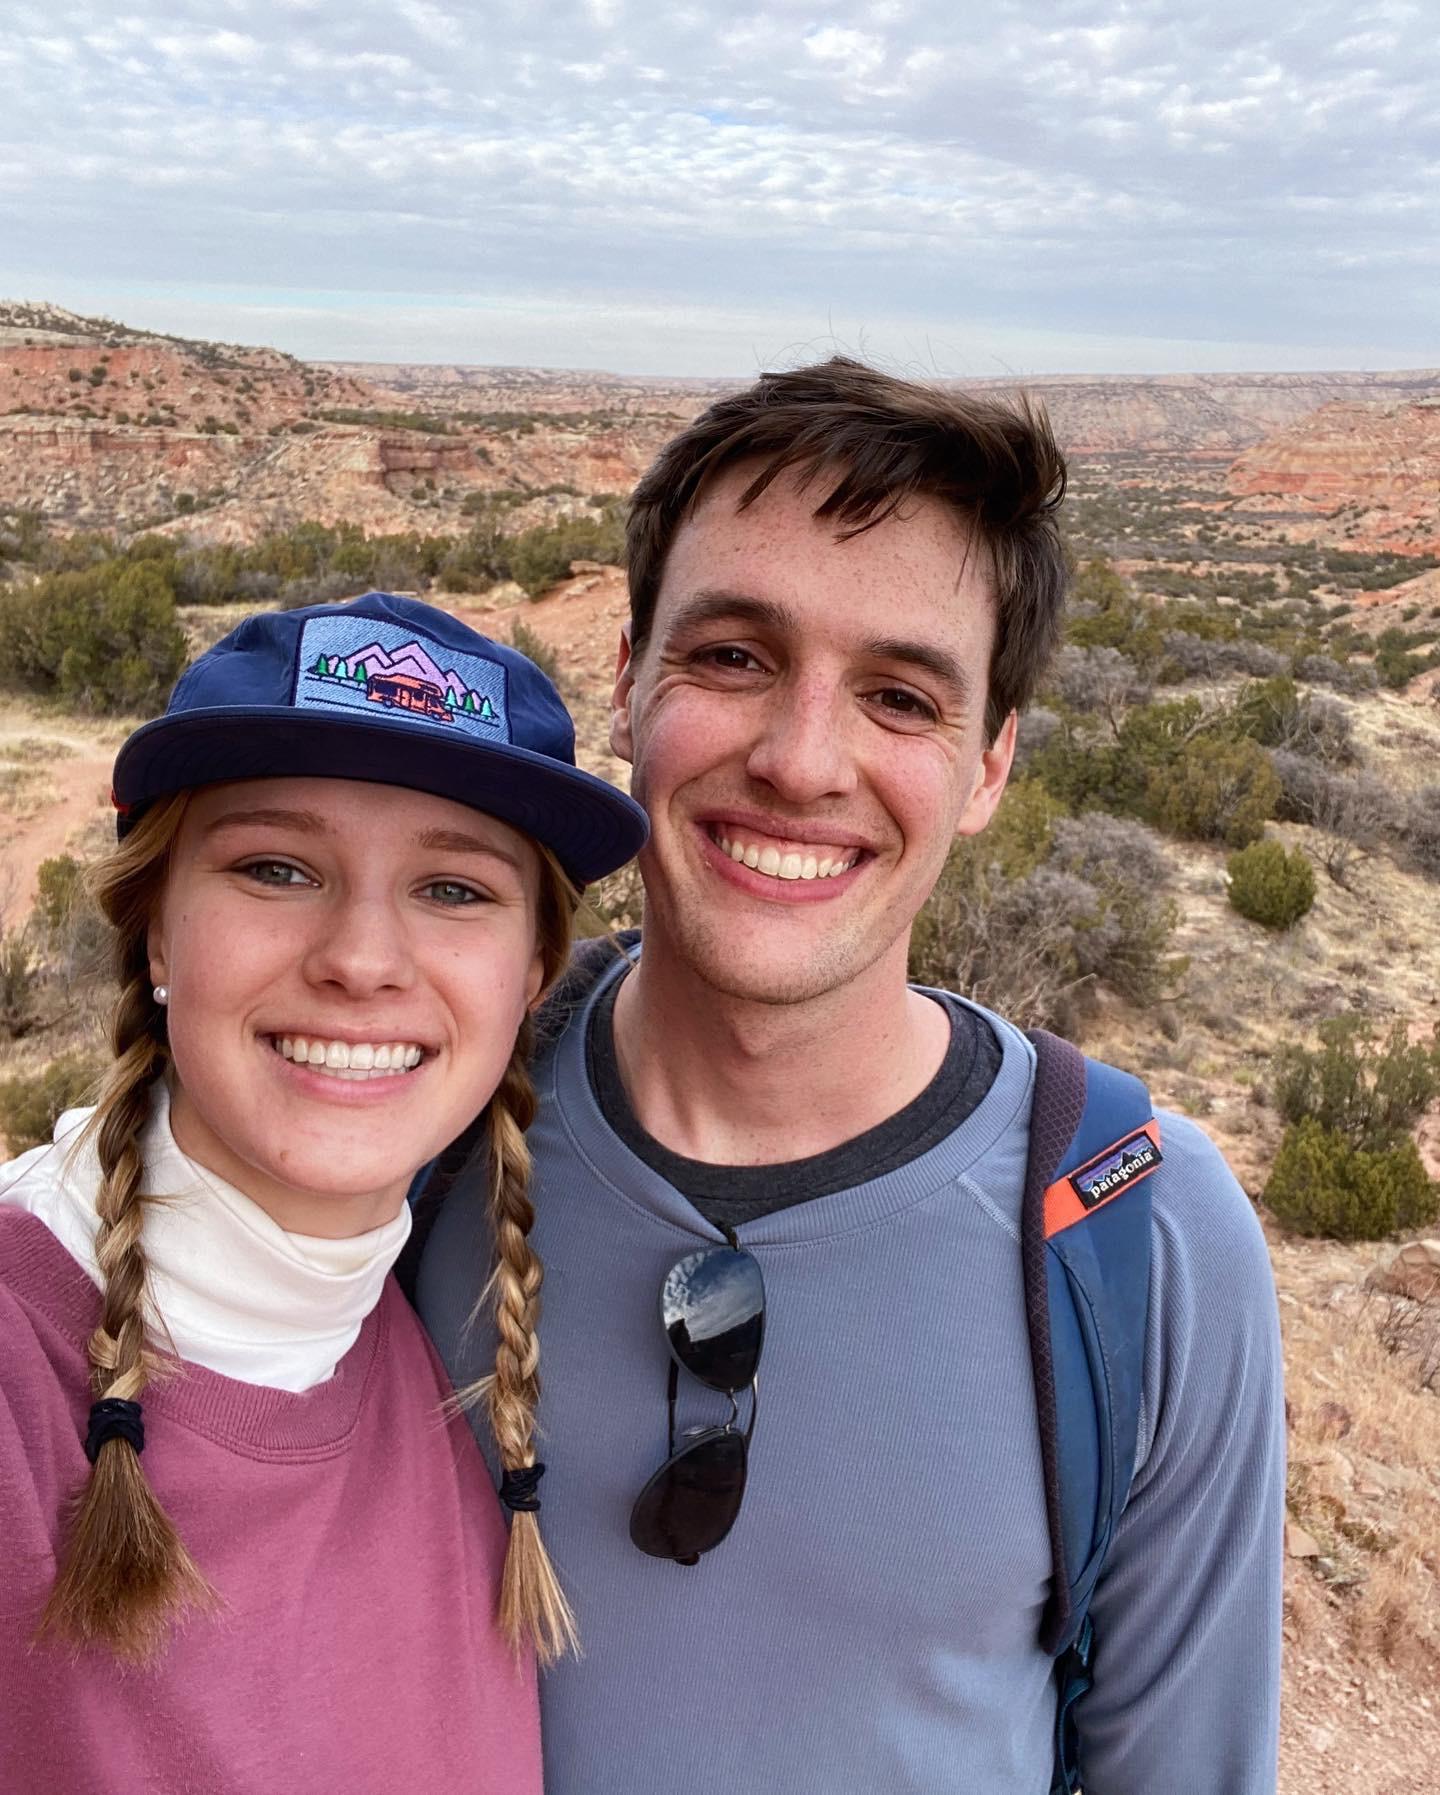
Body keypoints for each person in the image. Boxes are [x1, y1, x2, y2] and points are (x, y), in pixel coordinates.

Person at [414, 360, 1286, 1793]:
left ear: (991, 764)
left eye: (898, 694)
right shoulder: (427, 1119)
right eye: (736, 656)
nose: (803, 758)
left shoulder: (1141, 1231)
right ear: (629, 681)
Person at [0, 592, 646, 1795]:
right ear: (156, 934)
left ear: (532, 976)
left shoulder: (432, 1357)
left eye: (454, 890)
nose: (359, 956)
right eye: (277, 867)